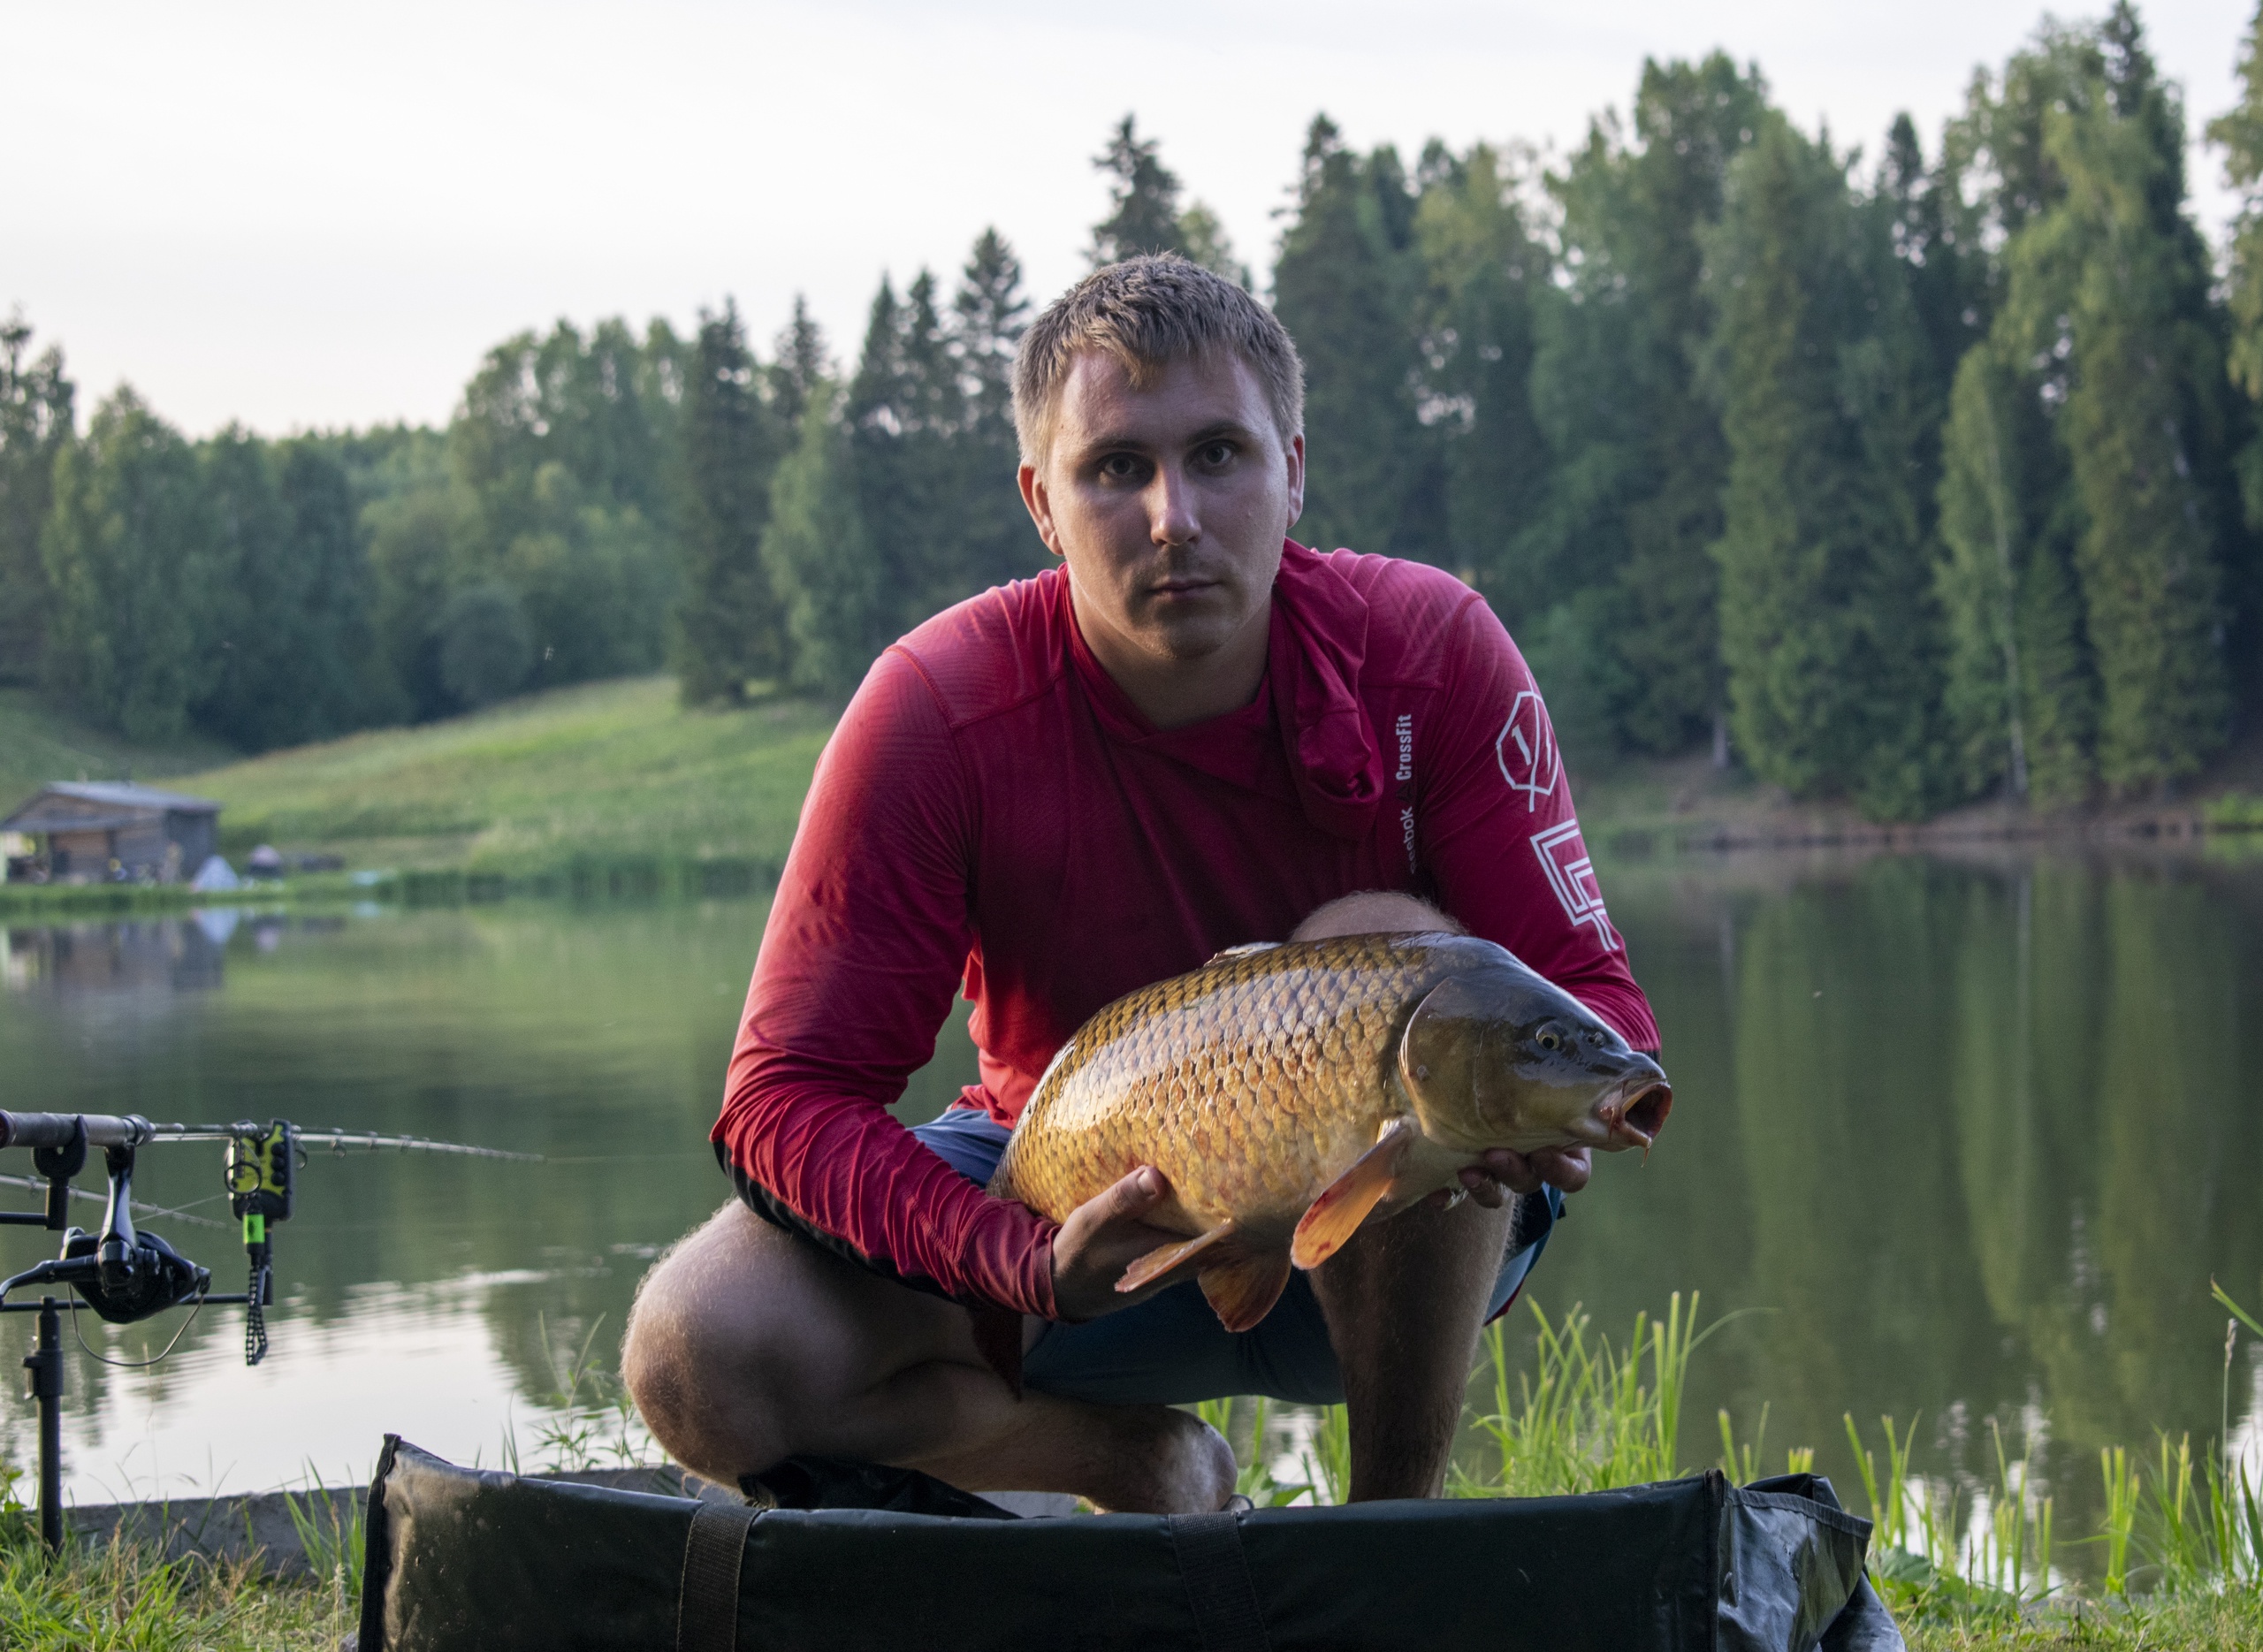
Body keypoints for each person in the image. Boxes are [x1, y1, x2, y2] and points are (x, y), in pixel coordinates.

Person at [622, 255, 1659, 1513]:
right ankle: (1142, 1468)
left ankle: (1390, 1537)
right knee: (693, 1351)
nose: (1175, 514)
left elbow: (1603, 1006)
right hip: (1064, 1209)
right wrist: (1010, 1253)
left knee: (1392, 956)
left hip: (1390, 1245)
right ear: (1041, 503)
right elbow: (778, 1103)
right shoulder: (933, 709)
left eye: (1219, 454)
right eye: (1117, 467)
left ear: (1292, 466)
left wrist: (1542, 1131)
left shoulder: (1431, 650)